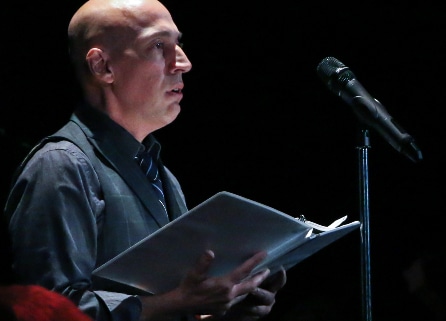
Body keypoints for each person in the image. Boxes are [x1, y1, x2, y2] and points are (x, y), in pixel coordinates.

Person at [2, 0, 287, 320]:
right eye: (157, 45)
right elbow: (50, 312)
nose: (183, 63)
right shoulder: (61, 166)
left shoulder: (162, 175)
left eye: (178, 44)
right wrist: (179, 304)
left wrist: (224, 306)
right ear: (103, 67)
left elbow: (172, 299)